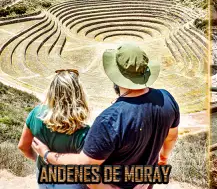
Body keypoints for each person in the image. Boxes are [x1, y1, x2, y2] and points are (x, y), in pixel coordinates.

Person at [31, 44, 180, 189]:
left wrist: (46, 154)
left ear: (116, 77)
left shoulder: (109, 120)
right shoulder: (166, 99)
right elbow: (171, 137)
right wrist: (163, 159)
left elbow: (87, 171)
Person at [18, 69, 90, 189]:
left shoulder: (36, 114)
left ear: (52, 91)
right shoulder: (84, 131)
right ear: (78, 94)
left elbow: (22, 146)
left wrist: (40, 158)